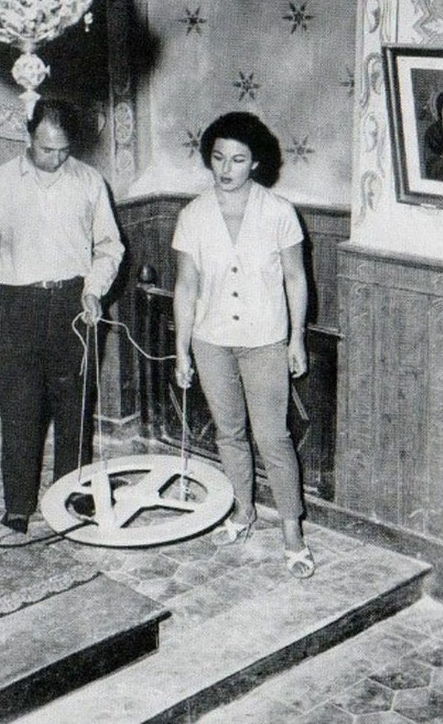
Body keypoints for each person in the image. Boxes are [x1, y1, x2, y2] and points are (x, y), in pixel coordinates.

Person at [0, 99, 124, 534]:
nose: (55, 159)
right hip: (17, 304)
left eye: (62, 150)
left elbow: (110, 247)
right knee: (20, 410)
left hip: (74, 304)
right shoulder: (0, 183)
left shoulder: (90, 181)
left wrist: (94, 290)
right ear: (28, 135)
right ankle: (18, 504)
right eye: (45, 149)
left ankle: (70, 498)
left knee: (75, 409)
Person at [172, 111, 315, 579]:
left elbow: (296, 279)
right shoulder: (193, 215)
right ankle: (242, 511)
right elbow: (186, 287)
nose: (226, 168)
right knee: (228, 433)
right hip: (210, 339)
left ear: (255, 163)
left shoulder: (278, 213)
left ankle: (292, 532)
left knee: (273, 436)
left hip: (265, 341)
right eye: (218, 158)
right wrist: (181, 350)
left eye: (238, 159)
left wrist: (296, 339)